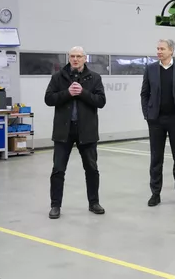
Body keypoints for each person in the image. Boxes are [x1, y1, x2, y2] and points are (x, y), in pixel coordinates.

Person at [44, 46, 106, 219]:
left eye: (79, 56)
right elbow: (49, 99)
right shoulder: (58, 77)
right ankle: (55, 205)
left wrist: (83, 93)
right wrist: (67, 93)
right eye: (72, 56)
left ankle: (94, 202)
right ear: (69, 58)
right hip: (64, 131)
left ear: (85, 58)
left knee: (92, 169)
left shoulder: (94, 78)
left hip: (86, 131)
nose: (75, 59)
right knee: (58, 170)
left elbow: (101, 101)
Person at [140, 39, 175, 207]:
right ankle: (155, 194)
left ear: (171, 51)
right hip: (156, 120)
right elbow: (144, 94)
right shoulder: (150, 69)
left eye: (162, 49)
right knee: (156, 158)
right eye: (157, 48)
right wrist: (147, 114)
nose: (159, 51)